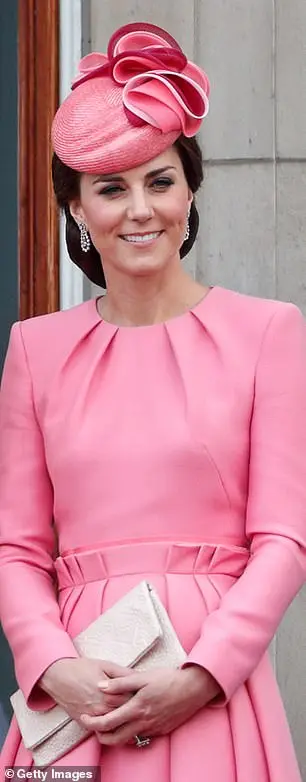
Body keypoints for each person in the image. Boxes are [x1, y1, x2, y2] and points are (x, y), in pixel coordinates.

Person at [0, 21, 306, 781]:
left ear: (189, 188)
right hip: (79, 695)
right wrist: (51, 665)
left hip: (210, 691)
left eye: (159, 180)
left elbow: (284, 539)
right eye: (111, 188)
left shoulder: (268, 333)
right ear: (76, 209)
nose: (140, 209)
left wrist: (205, 673)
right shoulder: (35, 351)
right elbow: (16, 548)